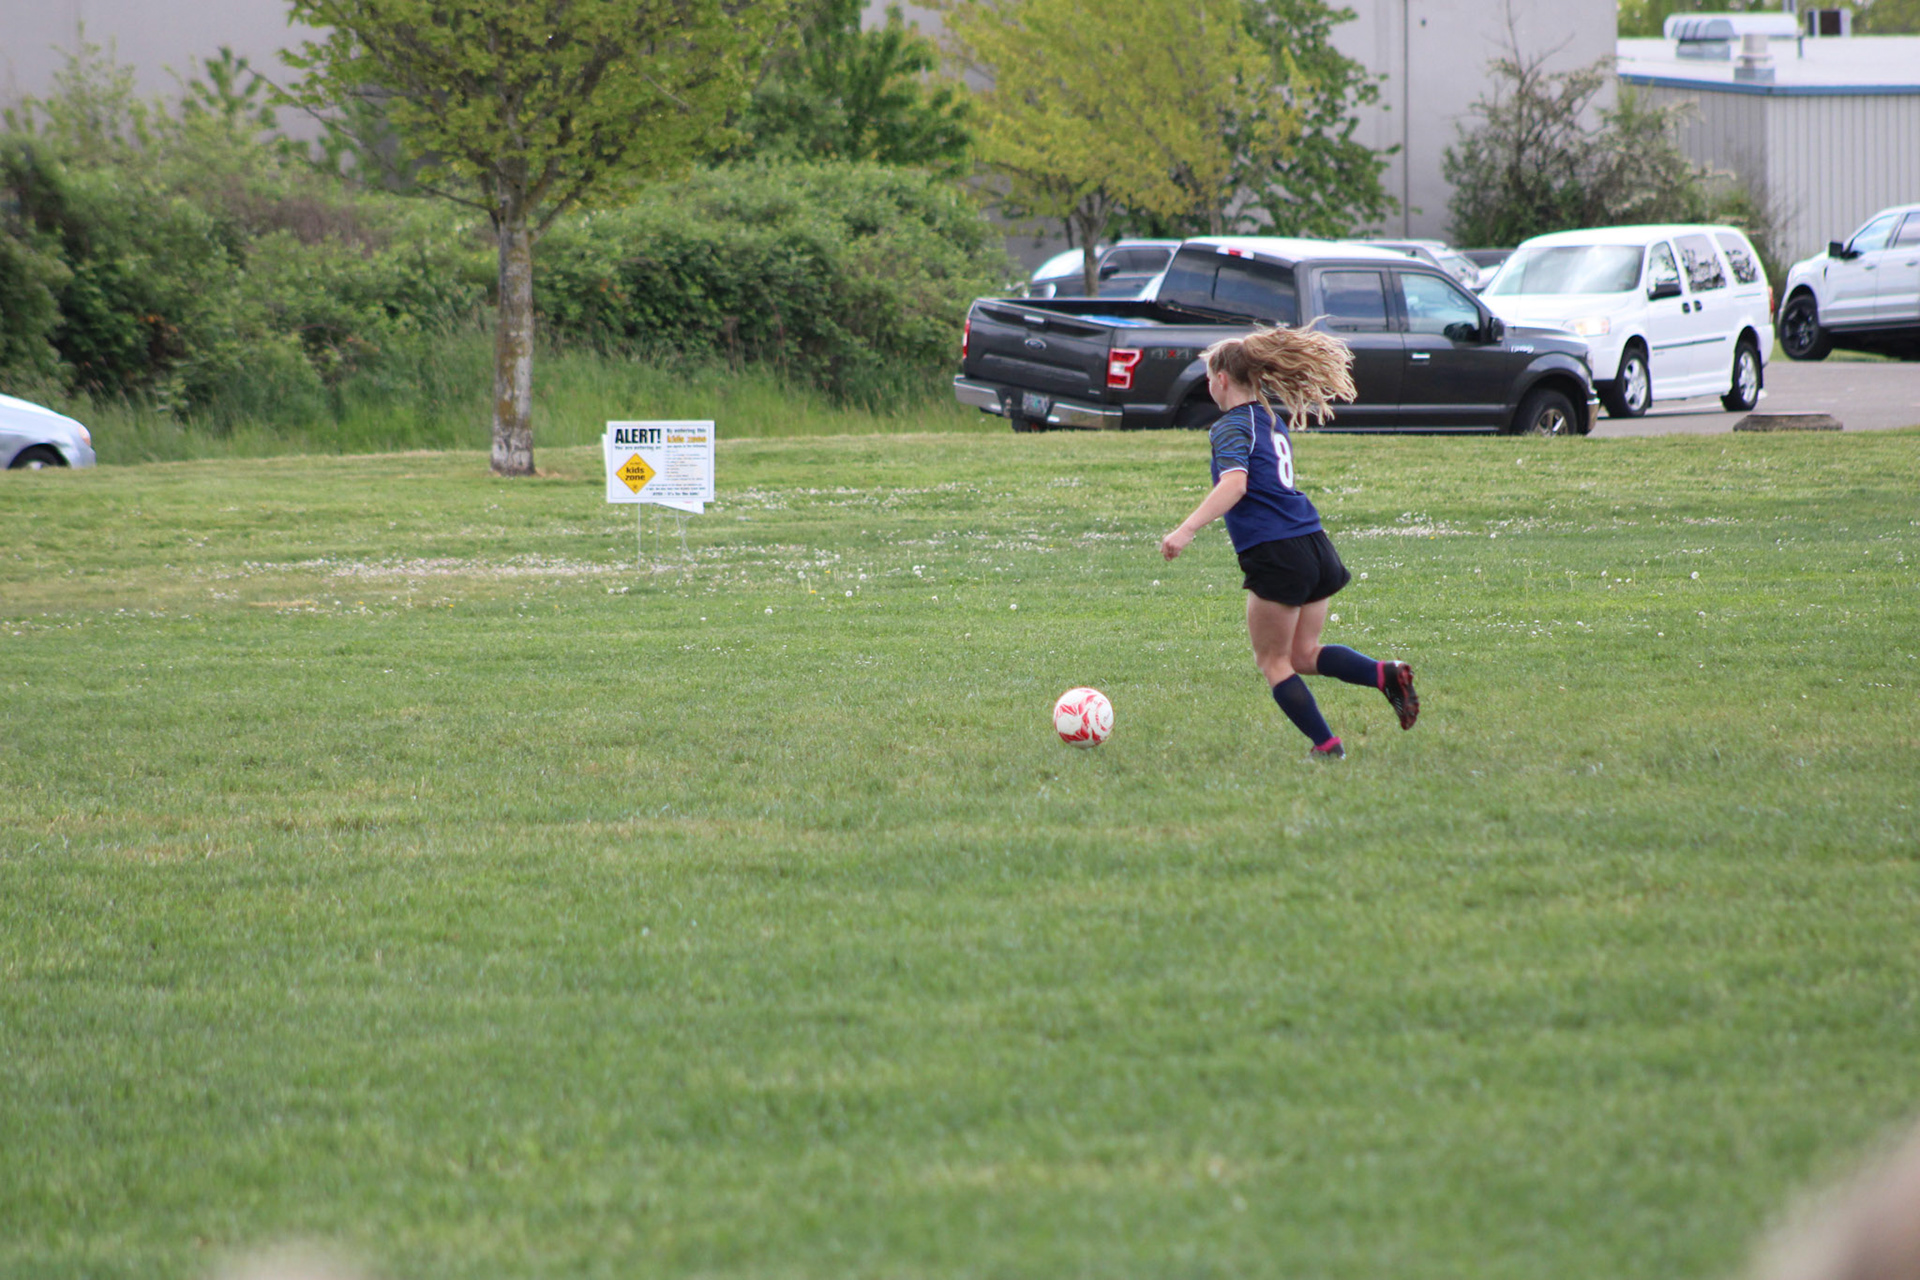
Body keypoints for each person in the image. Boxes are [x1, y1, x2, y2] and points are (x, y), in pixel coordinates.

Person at [1159, 325, 1418, 759]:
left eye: (1208, 377)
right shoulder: (1271, 420)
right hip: (1313, 544)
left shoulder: (1230, 426)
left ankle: (1328, 747)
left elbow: (1235, 484)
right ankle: (1385, 675)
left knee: (1273, 662)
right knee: (1302, 655)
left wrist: (1185, 530)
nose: (1208, 385)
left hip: (1277, 552)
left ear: (1221, 379)